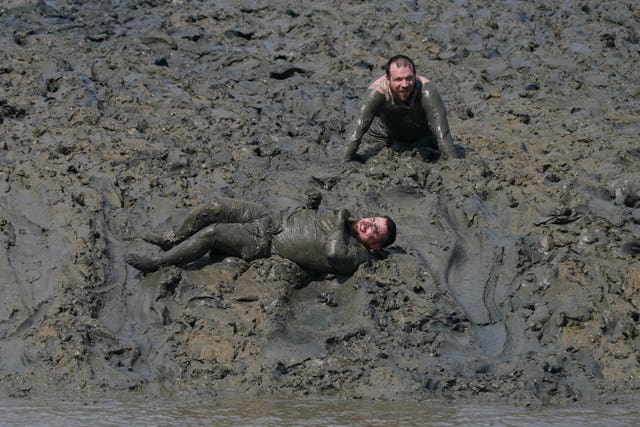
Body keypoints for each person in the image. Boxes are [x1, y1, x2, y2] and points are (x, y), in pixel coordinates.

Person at [125, 194, 396, 276]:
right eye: (371, 221)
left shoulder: (358, 256)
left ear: (375, 246)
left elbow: (333, 253)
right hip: (269, 216)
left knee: (214, 233)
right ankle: (172, 239)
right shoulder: (348, 221)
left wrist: (338, 220)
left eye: (375, 231)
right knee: (213, 207)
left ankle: (158, 264)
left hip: (265, 242)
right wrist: (312, 205)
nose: (368, 226)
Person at [344, 54, 462, 163]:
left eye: (409, 78)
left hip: (422, 136)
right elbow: (357, 130)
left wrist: (454, 162)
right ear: (388, 79)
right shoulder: (378, 92)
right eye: (398, 80)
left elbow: (443, 133)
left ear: (415, 76)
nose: (405, 85)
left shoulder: (426, 91)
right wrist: (347, 159)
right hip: (384, 134)